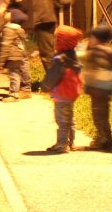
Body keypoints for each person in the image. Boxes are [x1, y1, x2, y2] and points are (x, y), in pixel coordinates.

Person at [40, 25, 84, 153]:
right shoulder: (73, 56)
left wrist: (45, 87)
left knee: (62, 120)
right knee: (69, 119)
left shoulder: (60, 59)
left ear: (62, 41)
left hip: (62, 93)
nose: (54, 41)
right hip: (71, 92)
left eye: (57, 38)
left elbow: (52, 76)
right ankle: (70, 142)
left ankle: (62, 144)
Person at [83, 26, 112, 151]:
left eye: (91, 37)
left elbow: (93, 68)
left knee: (98, 115)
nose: (90, 40)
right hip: (108, 87)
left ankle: (103, 140)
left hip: (97, 87)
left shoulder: (95, 51)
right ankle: (107, 139)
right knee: (104, 114)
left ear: (97, 38)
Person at [0, 8, 31, 101]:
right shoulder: (19, 29)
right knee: (18, 72)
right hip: (19, 55)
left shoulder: (8, 30)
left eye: (9, 12)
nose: (6, 13)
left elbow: (5, 46)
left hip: (12, 56)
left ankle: (14, 94)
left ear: (12, 17)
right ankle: (23, 90)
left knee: (14, 74)